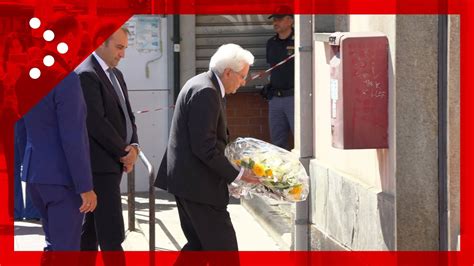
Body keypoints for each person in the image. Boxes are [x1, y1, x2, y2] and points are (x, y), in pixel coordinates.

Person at [154, 43, 260, 265]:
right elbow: (205, 148)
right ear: (228, 72)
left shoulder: (204, 84)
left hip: (190, 183)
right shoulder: (206, 91)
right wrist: (238, 174)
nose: (243, 82)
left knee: (198, 247)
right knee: (225, 252)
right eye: (242, 77)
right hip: (198, 187)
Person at [76, 25, 139, 257]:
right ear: (101, 42)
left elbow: (128, 115)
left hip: (113, 163)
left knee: (91, 230)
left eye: (124, 48)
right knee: (112, 234)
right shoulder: (86, 74)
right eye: (119, 47)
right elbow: (96, 122)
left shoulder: (117, 74)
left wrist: (135, 147)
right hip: (99, 167)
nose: (122, 54)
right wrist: (124, 152)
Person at [21, 71, 97, 251]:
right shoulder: (66, 79)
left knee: (53, 245)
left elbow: (23, 129)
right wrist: (85, 186)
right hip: (61, 178)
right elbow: (73, 137)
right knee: (65, 250)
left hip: (36, 174)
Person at [264, 7, 295, 150]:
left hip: (294, 98)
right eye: (274, 20)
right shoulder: (271, 43)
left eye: (279, 19)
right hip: (275, 99)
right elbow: (271, 68)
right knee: (277, 143)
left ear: (290, 21)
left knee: (301, 141)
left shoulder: (299, 41)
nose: (275, 23)